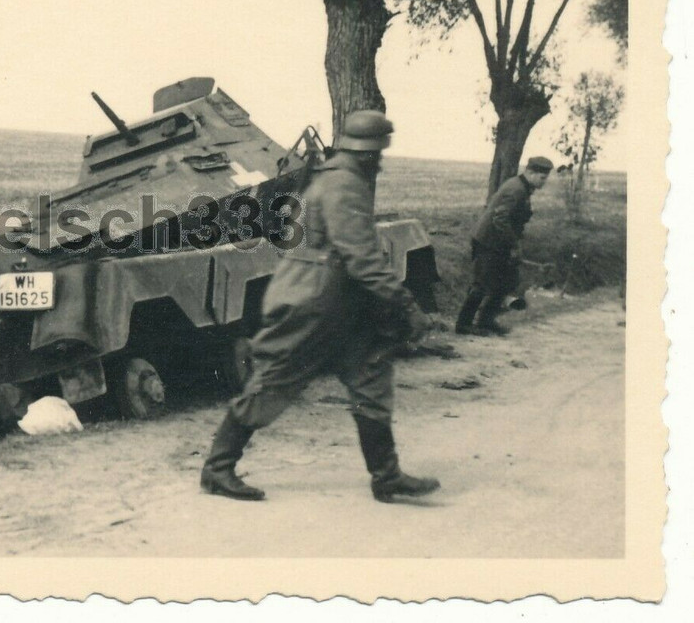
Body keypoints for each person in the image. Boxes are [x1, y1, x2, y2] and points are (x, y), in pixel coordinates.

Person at [200, 110, 439, 503]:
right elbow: (362, 257)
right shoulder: (345, 184)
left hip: (338, 302)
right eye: (379, 153)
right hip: (312, 302)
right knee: (274, 381)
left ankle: (387, 475)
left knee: (370, 376)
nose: (381, 161)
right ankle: (217, 469)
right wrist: (406, 305)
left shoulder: (335, 176)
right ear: (368, 152)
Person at [455, 156, 554, 336]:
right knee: (482, 283)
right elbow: (500, 219)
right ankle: (463, 324)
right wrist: (514, 245)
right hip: (488, 241)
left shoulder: (523, 188)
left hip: (500, 242)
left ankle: (486, 321)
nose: (544, 182)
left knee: (505, 282)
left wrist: (512, 244)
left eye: (545, 178)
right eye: (542, 178)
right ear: (530, 172)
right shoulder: (516, 189)